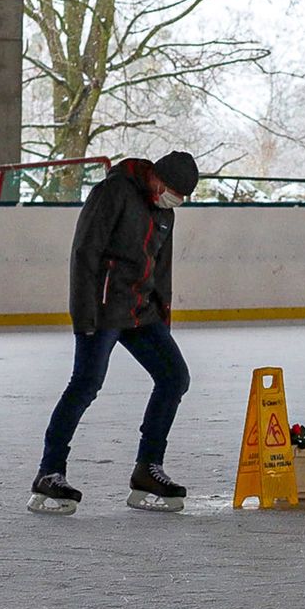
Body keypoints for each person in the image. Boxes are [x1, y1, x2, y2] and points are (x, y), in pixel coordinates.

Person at [28, 152, 198, 515]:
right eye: (172, 192)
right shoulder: (113, 192)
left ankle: (147, 469)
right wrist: (84, 315)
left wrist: (162, 317)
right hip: (103, 309)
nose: (174, 200)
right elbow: (85, 252)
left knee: (174, 377)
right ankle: (49, 472)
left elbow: (161, 269)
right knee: (86, 384)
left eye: (181, 198)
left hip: (141, 310)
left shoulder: (165, 212)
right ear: (155, 177)